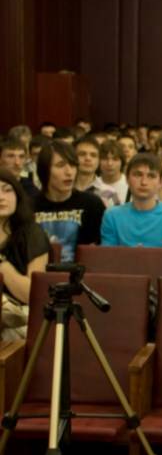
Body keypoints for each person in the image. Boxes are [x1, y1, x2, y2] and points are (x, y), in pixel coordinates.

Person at [101, 153, 162, 272]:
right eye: (138, 175)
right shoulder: (112, 216)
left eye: (151, 176)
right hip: (122, 280)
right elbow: (107, 263)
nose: (144, 182)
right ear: (127, 179)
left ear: (160, 181)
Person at [0, 168, 50, 340]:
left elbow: (32, 294)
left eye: (7, 190)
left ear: (17, 196)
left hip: (21, 317)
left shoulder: (32, 234)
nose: (1, 197)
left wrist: (2, 264)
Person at [34, 141, 105, 262]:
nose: (69, 172)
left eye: (73, 165)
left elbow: (98, 252)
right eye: (60, 165)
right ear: (44, 170)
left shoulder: (92, 204)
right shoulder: (28, 205)